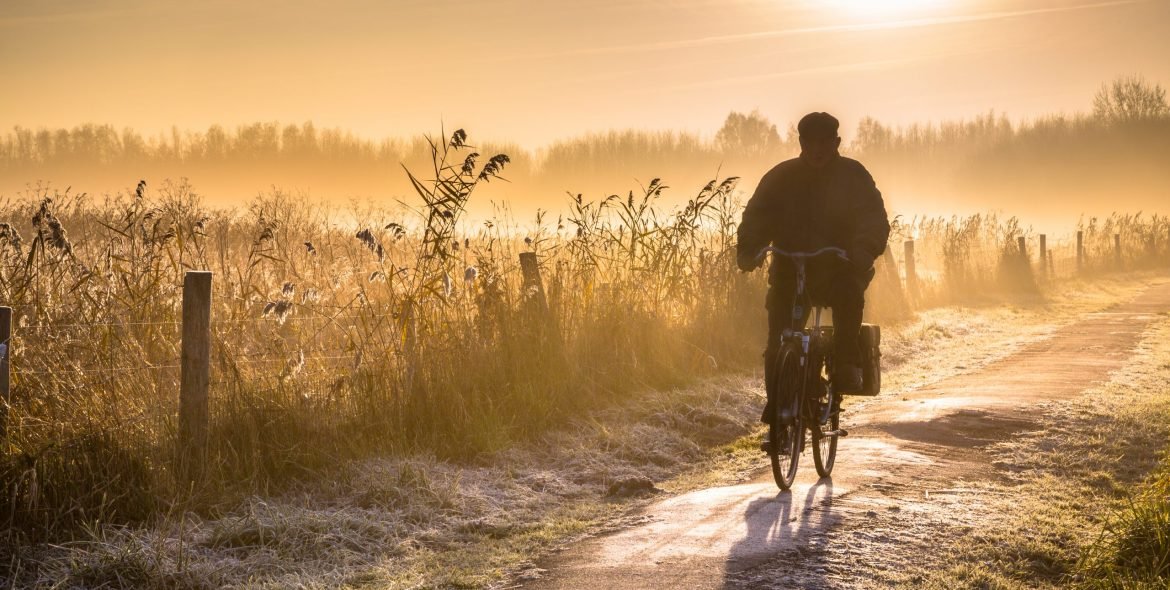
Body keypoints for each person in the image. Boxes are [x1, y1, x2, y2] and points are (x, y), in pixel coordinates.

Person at [736, 112, 890, 426]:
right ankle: (778, 402)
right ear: (801, 143)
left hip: (839, 266)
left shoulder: (853, 175)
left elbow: (873, 217)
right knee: (778, 339)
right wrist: (749, 250)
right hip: (790, 268)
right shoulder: (781, 177)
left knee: (849, 295)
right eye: (810, 142)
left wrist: (862, 250)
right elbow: (757, 216)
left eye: (824, 142)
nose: (817, 149)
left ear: (836, 143)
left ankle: (846, 362)